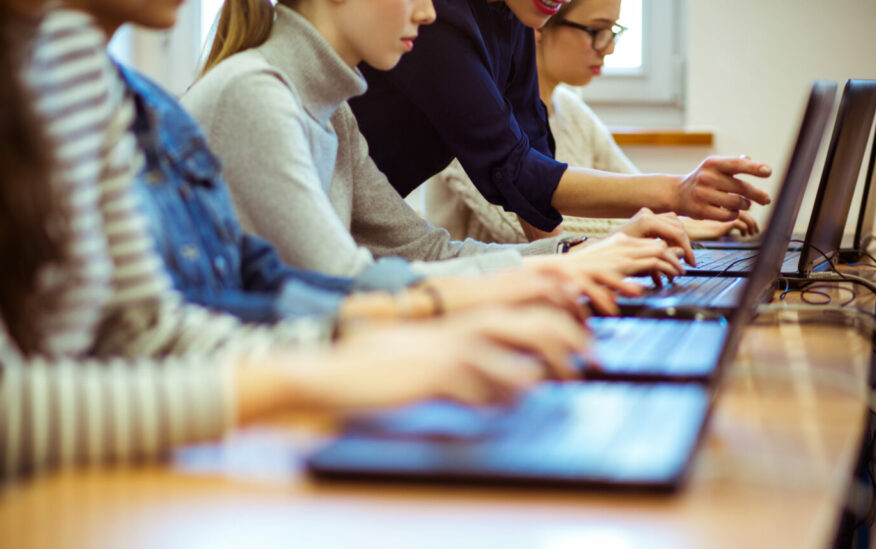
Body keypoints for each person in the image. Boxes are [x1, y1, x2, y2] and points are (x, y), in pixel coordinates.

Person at [0, 0, 589, 479]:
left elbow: (151, 330)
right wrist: (333, 362)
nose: (432, 13)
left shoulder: (80, 72)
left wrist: (555, 264)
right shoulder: (249, 93)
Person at [184, 0, 693, 314]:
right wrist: (556, 274)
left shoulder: (333, 112)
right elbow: (347, 291)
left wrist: (574, 255)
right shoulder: (255, 95)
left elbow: (426, 253)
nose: (429, 12)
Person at [349, 0, 773, 242]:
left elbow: (534, 175)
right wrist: (675, 194)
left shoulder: (512, 21)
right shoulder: (441, 17)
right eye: (597, 30)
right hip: (336, 230)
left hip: (364, 227)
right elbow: (515, 169)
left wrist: (567, 270)